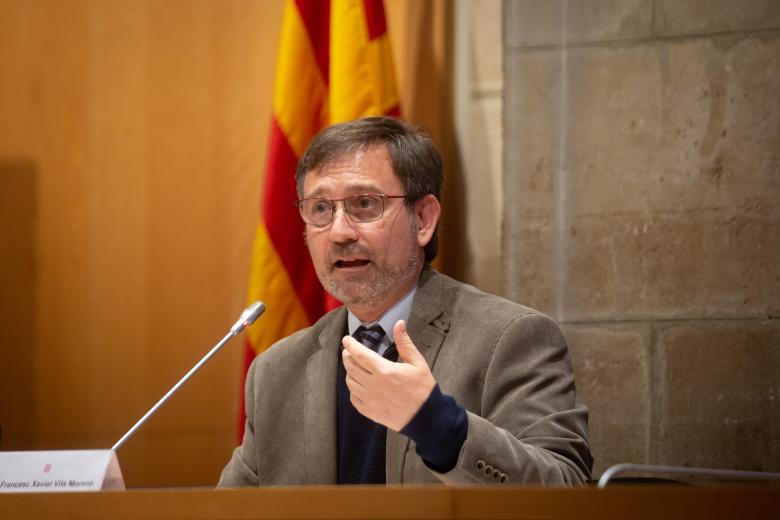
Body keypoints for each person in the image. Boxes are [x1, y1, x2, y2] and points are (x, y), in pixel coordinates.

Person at [219, 116, 592, 486]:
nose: (339, 232)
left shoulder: (511, 339)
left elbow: (566, 490)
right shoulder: (276, 372)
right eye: (320, 209)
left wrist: (438, 425)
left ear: (424, 219)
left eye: (364, 204)